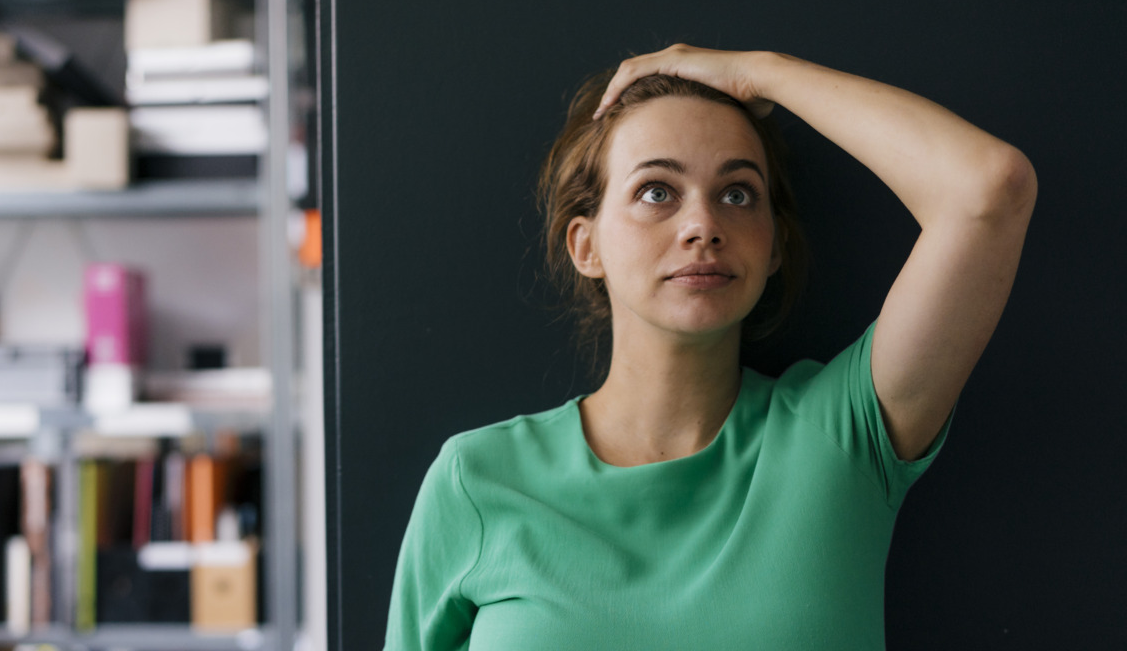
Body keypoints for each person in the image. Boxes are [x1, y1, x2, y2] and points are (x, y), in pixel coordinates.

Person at [383, 44, 1036, 650]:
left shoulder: (841, 439)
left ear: (773, 245)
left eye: (737, 193)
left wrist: (758, 72)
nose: (702, 225)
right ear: (586, 246)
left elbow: (989, 188)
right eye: (656, 192)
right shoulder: (477, 482)